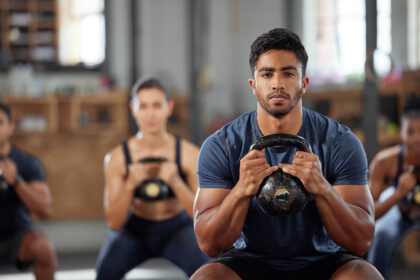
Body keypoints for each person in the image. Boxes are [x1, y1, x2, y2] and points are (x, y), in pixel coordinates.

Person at [191, 28, 383, 280]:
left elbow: (361, 240)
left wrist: (321, 187)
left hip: (322, 261)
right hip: (250, 262)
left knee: (364, 276)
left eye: (288, 73)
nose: (277, 83)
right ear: (253, 84)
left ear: (304, 83)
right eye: (267, 74)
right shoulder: (222, 145)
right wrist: (242, 189)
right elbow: (208, 243)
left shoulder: (340, 142)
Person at [95, 77, 210, 280]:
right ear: (133, 109)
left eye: (157, 105)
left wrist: (176, 182)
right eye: (144, 106)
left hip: (177, 228)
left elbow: (203, 217)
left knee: (209, 274)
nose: (150, 114)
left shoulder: (189, 153)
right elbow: (114, 222)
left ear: (169, 108)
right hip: (135, 228)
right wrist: (130, 183)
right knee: (104, 274)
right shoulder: (117, 158)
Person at [0, 102, 57, 279]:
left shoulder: (26, 162)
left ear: (10, 127)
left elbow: (45, 210)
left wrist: (16, 181)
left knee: (43, 249)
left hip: (16, 235)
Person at [367, 94, 420, 279]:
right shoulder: (384, 162)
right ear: (401, 132)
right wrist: (399, 193)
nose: (417, 139)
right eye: (411, 132)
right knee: (381, 235)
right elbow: (368, 215)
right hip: (400, 212)